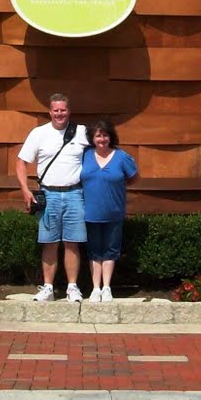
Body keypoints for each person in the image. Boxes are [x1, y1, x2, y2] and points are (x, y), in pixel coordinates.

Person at [15, 92, 89, 303]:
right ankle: (48, 287)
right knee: (49, 243)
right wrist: (25, 190)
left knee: (72, 242)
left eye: (63, 110)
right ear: (50, 112)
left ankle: (72, 287)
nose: (59, 114)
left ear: (69, 111)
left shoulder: (82, 132)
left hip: (75, 193)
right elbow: (21, 162)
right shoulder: (39, 133)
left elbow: (102, 147)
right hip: (48, 194)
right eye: (55, 110)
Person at [79, 117, 138, 302]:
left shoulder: (121, 157)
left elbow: (134, 177)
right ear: (92, 138)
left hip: (114, 212)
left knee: (111, 250)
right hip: (90, 213)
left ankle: (107, 287)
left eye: (105, 135)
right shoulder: (85, 155)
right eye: (98, 136)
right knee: (94, 251)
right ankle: (95, 288)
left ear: (111, 137)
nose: (102, 139)